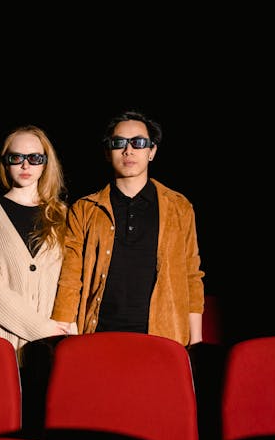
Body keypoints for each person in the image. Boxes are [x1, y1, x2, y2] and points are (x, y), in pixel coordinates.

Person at [52, 110, 205, 346]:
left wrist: (195, 342)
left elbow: (191, 276)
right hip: (98, 335)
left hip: (162, 339)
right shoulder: (85, 209)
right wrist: (64, 334)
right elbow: (70, 277)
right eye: (119, 143)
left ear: (152, 151)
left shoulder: (179, 207)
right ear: (107, 152)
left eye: (138, 143)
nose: (128, 150)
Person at [0, 125, 74, 364]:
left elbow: (69, 280)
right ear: (5, 163)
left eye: (35, 158)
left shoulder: (63, 215)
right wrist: (44, 329)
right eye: (16, 158)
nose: (25, 165)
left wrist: (65, 329)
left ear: (45, 164)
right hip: (0, 335)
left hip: (51, 340)